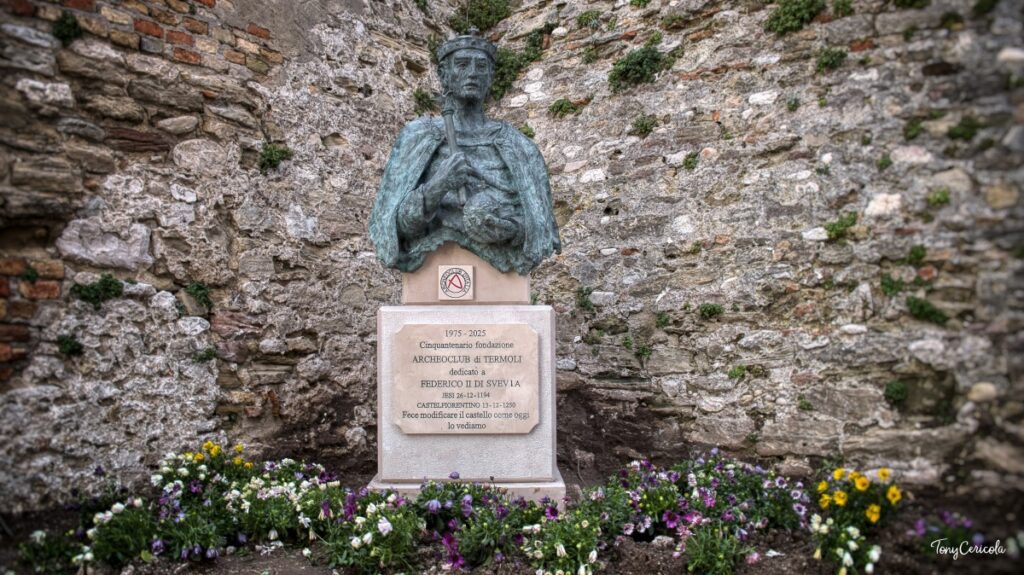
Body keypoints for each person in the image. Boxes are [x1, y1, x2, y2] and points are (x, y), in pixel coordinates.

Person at [369, 29, 561, 275]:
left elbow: (540, 228)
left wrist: (507, 228)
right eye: (462, 64)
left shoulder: (519, 146)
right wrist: (438, 185)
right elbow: (396, 228)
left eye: (481, 67)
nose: (472, 73)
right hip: (433, 264)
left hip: (501, 273)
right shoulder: (418, 136)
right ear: (444, 74)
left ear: (491, 76)